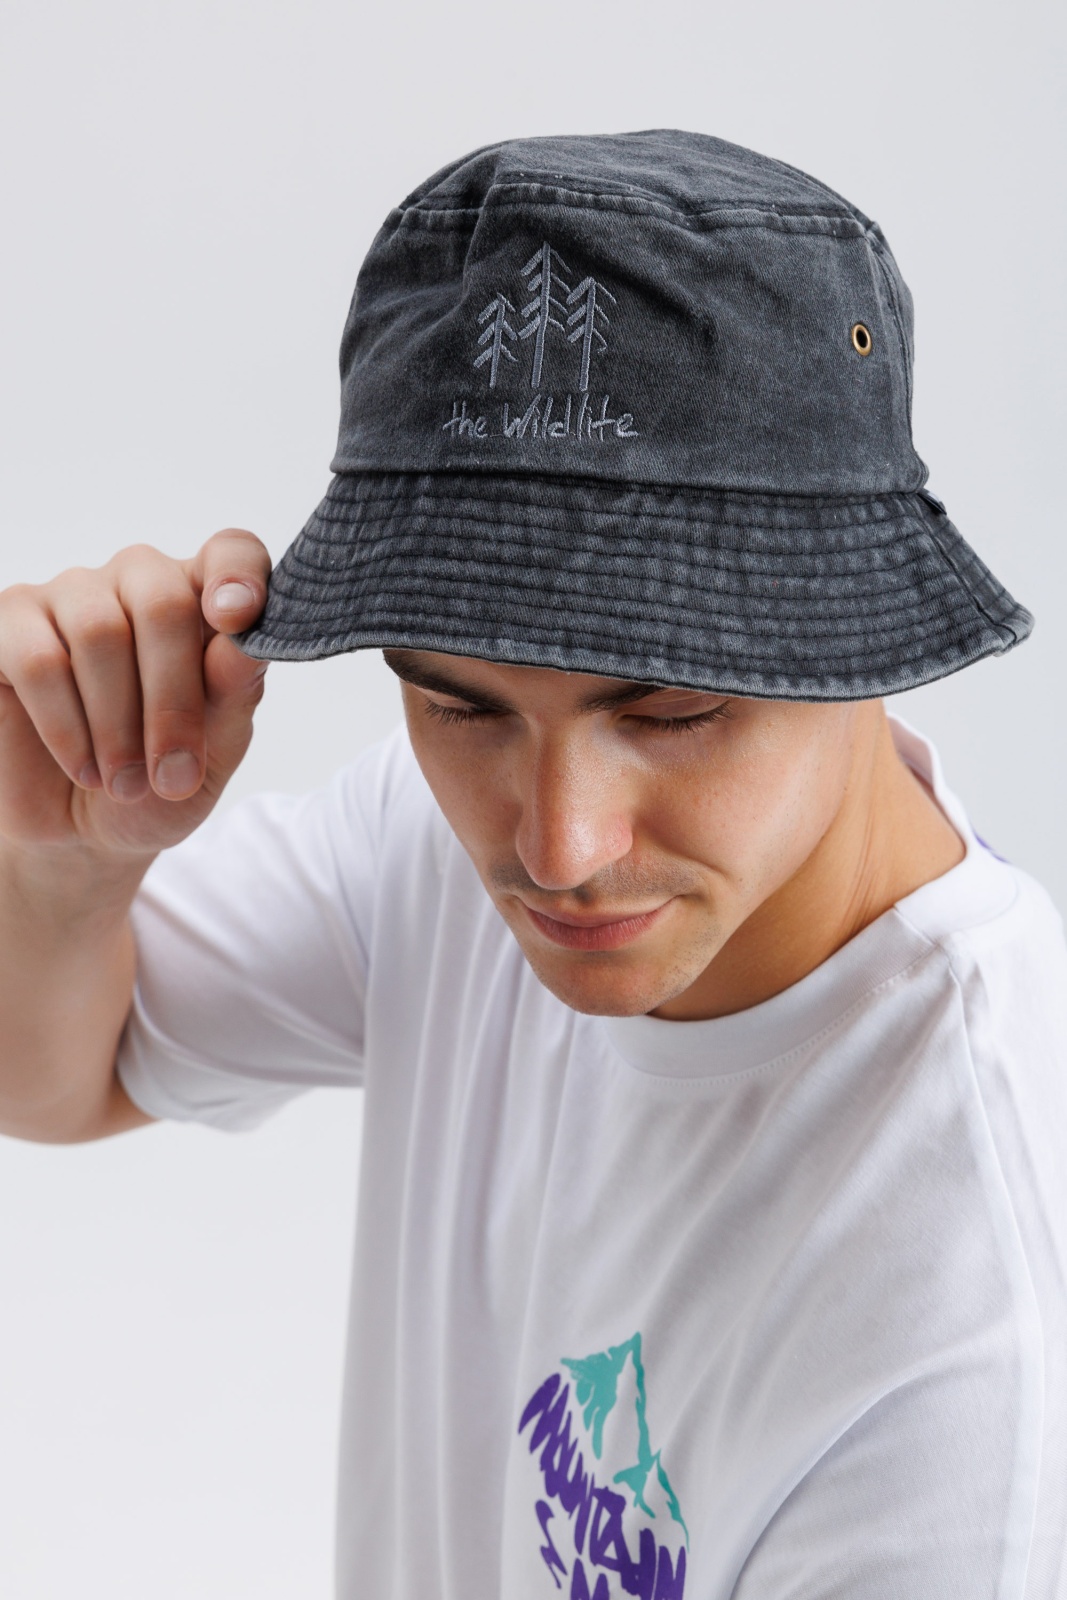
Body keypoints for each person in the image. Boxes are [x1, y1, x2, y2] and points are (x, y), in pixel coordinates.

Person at [1, 131, 1064, 1599]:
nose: (557, 850)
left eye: (670, 712)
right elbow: (61, 1076)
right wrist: (69, 863)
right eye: (462, 707)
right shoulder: (427, 839)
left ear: (859, 645)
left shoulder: (975, 1313)